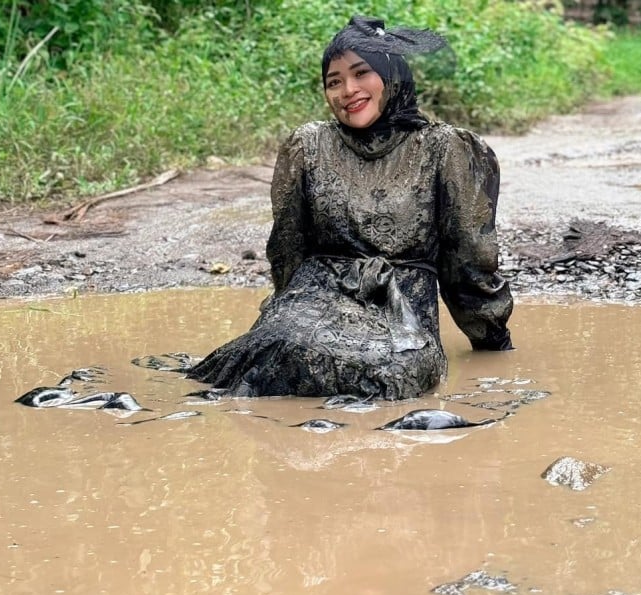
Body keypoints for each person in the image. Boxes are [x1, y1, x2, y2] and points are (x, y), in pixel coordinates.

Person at [187, 16, 514, 400]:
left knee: (393, 375)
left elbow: (470, 261)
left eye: (361, 74)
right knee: (271, 354)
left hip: (399, 310)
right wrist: (279, 315)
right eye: (334, 81)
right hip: (309, 300)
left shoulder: (444, 150)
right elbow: (287, 247)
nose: (348, 90)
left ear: (393, 76)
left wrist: (493, 341)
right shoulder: (308, 146)